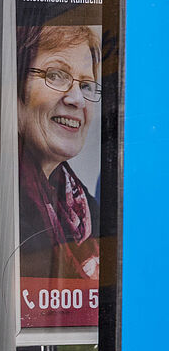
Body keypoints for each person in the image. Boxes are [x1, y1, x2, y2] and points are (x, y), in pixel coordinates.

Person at [16, 23, 102, 280]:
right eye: (55, 75)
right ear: (15, 87)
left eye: (86, 85)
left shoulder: (88, 209)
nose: (76, 99)